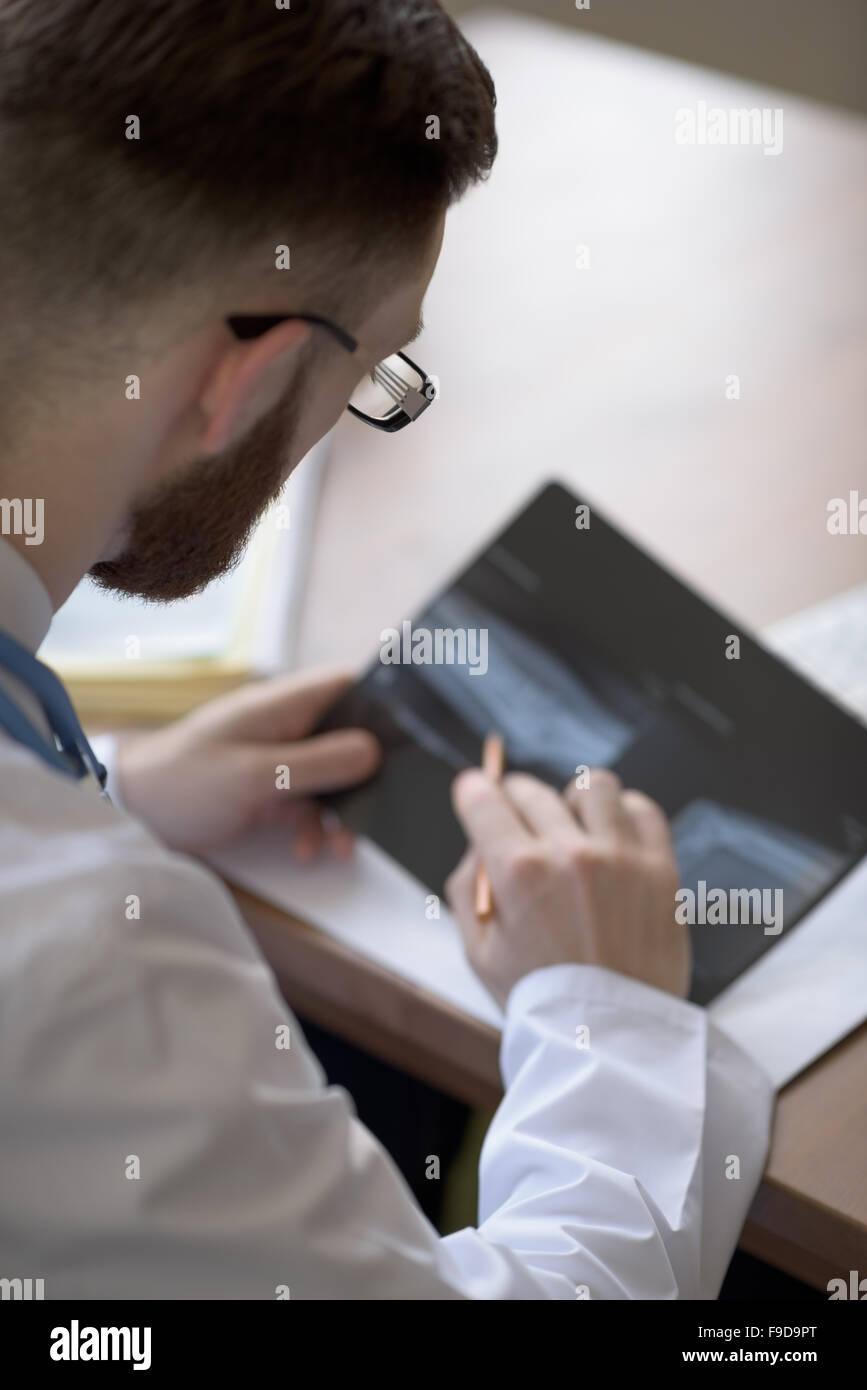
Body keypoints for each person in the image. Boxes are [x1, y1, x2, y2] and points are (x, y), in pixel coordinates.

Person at [0, 0, 772, 1300]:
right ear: (238, 382)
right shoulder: (80, 964)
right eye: (378, 375)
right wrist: (610, 1011)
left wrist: (113, 793)